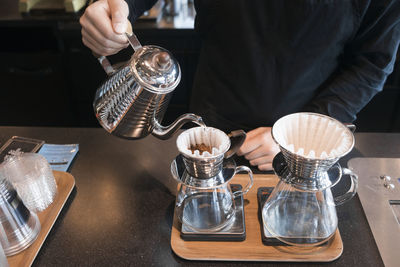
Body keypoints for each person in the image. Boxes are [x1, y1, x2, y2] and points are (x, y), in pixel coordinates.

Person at [80, 0, 400, 171]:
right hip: (213, 133)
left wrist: (296, 134)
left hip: (308, 144)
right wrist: (114, 6)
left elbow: (373, 61)